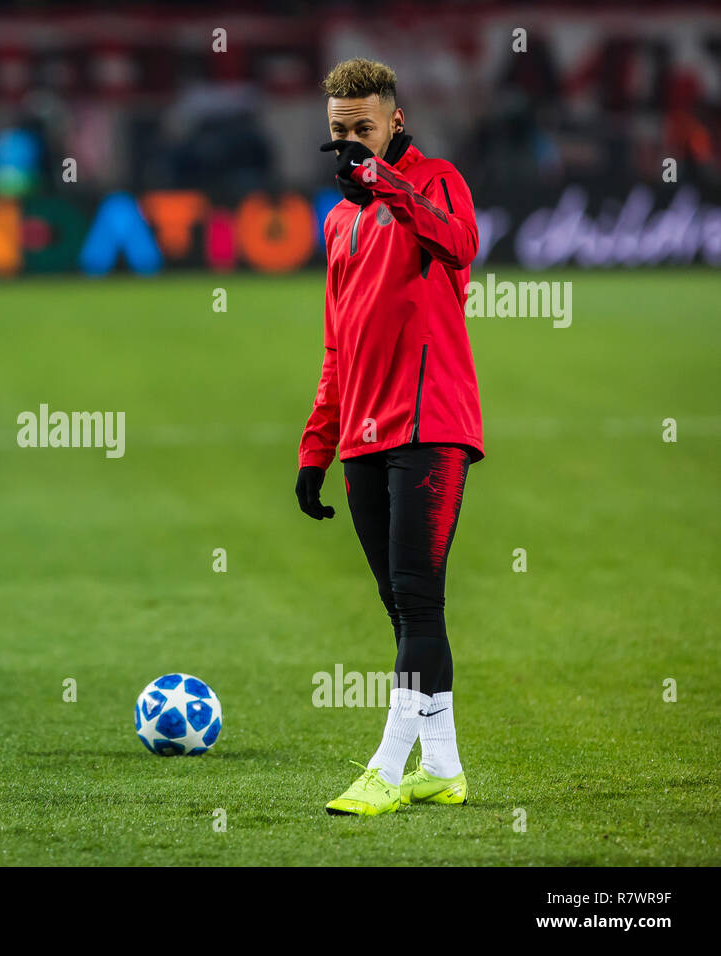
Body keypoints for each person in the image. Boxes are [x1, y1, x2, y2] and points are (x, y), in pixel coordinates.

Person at [296, 58, 484, 815]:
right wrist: (316, 449)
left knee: (417, 600)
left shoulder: (434, 179)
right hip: (365, 436)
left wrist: (387, 184)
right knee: (402, 608)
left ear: (394, 121)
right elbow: (336, 345)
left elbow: (460, 244)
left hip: (431, 423)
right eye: (339, 131)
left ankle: (385, 767)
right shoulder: (338, 221)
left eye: (362, 129)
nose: (350, 143)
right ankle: (443, 766)